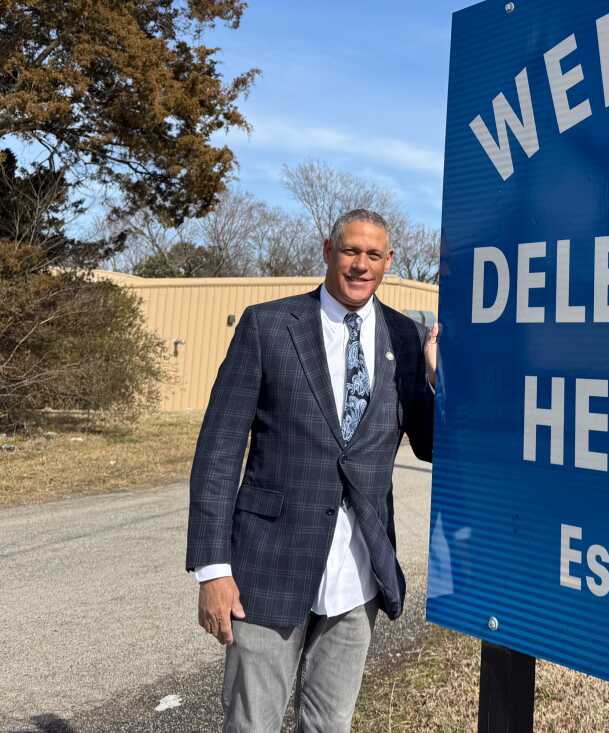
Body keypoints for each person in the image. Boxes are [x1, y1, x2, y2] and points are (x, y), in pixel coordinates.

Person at [185, 209, 438, 731]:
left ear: (388, 262)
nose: (360, 264)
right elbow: (218, 452)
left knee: (330, 724)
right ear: (328, 251)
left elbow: (431, 444)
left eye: (373, 255)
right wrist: (213, 569)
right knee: (252, 723)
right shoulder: (269, 325)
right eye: (350, 251)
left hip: (358, 571)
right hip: (266, 570)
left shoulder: (404, 338)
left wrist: (438, 381)